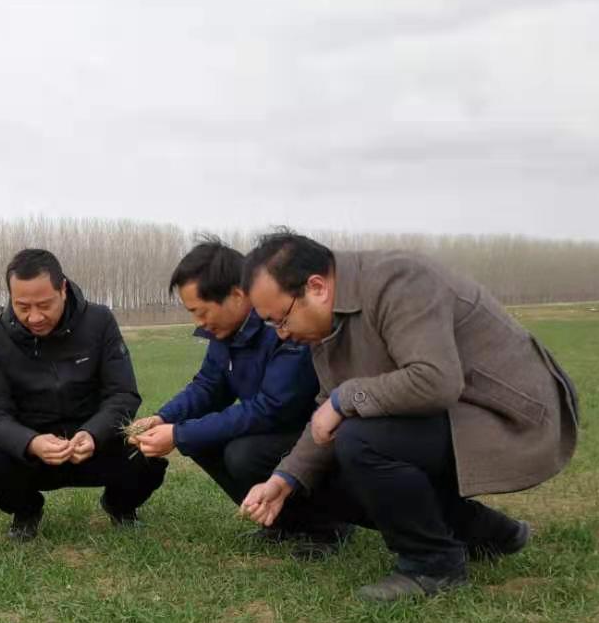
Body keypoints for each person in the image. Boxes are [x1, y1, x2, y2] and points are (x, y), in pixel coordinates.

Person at [239, 230, 579, 602]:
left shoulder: (399, 281)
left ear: (317, 287)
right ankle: (487, 532)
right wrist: (284, 480)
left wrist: (342, 399)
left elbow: (435, 381)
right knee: (318, 451)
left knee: (360, 439)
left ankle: (433, 566)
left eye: (282, 320)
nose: (282, 335)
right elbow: (327, 416)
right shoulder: (328, 325)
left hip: (512, 416)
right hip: (452, 414)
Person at [125, 238, 345, 549]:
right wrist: (164, 418)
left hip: (313, 434)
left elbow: (272, 408)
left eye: (201, 311)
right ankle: (280, 522)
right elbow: (208, 386)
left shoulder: (282, 325)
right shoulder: (225, 332)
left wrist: (178, 433)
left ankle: (325, 527)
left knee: (243, 454)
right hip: (272, 430)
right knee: (198, 440)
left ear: (237, 295)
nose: (199, 322)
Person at [0, 248, 167, 540]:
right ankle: (27, 510)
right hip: (34, 454)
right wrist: (31, 442)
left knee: (148, 454)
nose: (34, 316)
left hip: (97, 444)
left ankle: (119, 505)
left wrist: (93, 434)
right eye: (22, 306)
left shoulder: (99, 321)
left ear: (62, 289)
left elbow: (123, 394)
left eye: (44, 305)